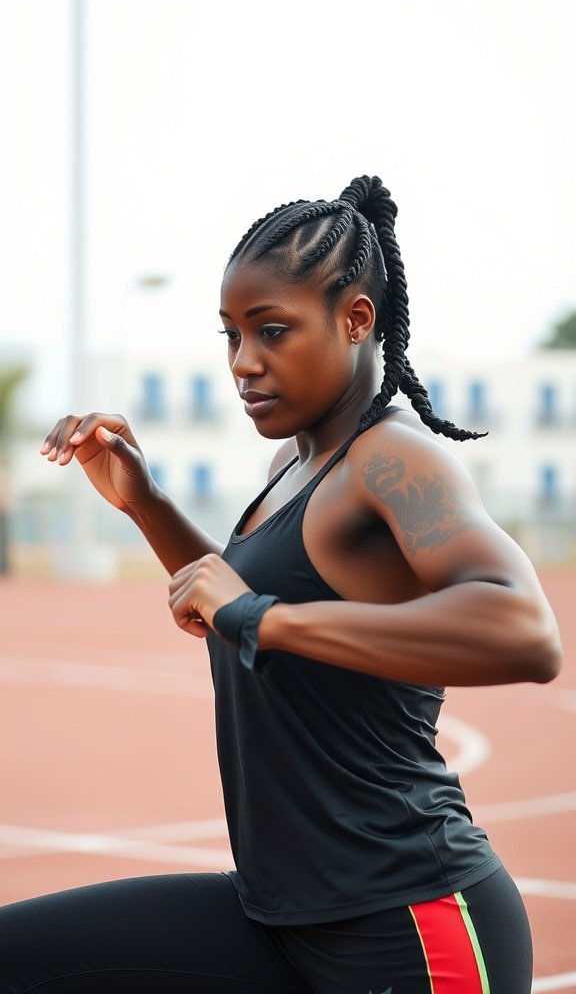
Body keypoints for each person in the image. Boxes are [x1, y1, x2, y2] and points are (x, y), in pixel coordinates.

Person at [1, 175, 562, 993]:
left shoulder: (393, 458)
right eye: (230, 335)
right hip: (283, 913)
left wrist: (265, 617)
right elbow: (236, 603)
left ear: (356, 320)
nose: (243, 362)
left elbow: (525, 631)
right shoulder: (292, 467)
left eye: (271, 331)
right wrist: (146, 503)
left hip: (409, 923)